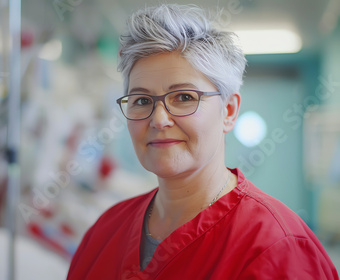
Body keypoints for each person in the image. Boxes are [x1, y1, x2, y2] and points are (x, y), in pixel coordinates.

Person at [67, 4, 339, 280]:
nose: (159, 120)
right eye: (141, 101)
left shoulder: (278, 248)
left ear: (229, 111)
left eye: (184, 97)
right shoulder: (106, 231)